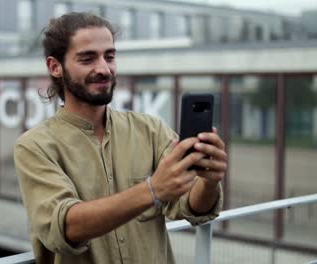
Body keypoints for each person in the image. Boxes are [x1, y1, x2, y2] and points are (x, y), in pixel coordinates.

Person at [14, 12, 227, 264]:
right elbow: (65, 227)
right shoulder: (34, 146)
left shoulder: (150, 129)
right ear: (55, 66)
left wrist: (209, 181)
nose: (104, 69)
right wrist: (152, 190)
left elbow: (192, 208)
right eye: (87, 58)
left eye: (110, 56)